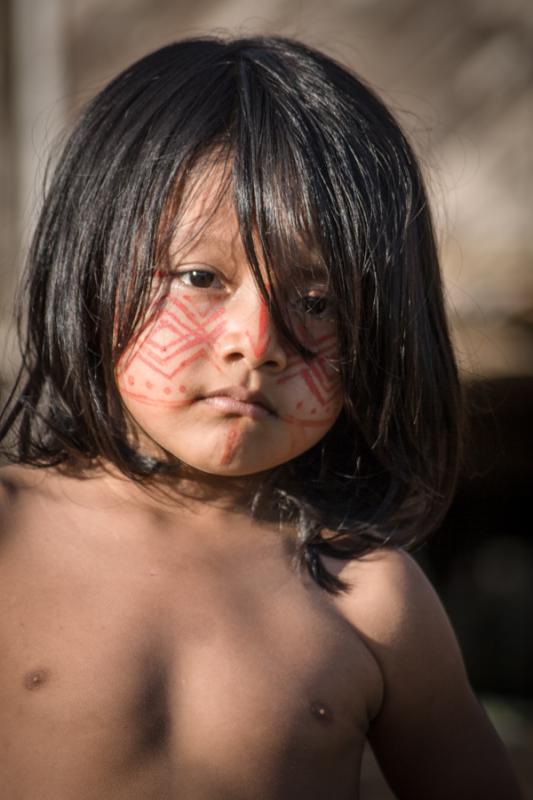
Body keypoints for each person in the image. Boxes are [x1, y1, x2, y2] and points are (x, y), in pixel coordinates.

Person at [0, 35, 522, 800]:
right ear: (86, 265)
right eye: (200, 276)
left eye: (316, 303)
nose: (259, 344)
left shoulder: (371, 598)